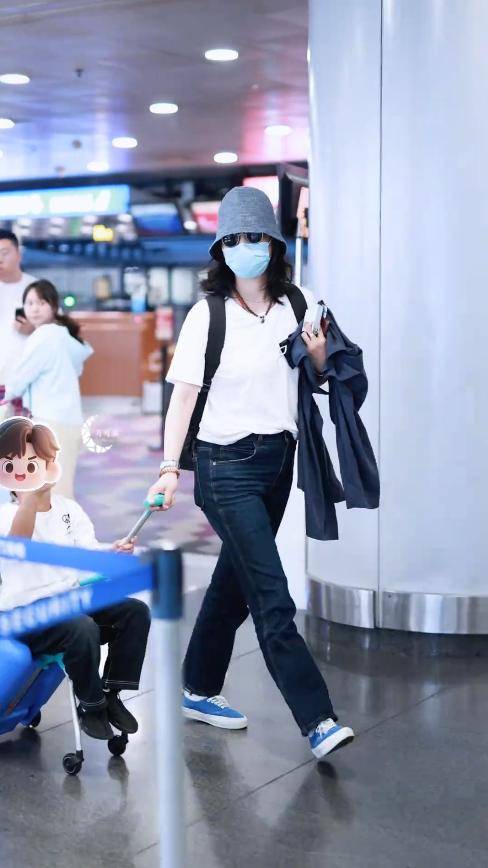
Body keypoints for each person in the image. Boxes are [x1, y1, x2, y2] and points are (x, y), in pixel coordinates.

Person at [146, 186, 354, 761]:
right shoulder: (207, 315)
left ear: (274, 243)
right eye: (233, 239)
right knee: (269, 590)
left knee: (235, 581)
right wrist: (169, 467)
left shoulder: (299, 302)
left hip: (278, 460)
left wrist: (318, 354)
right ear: (221, 249)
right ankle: (318, 719)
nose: (245, 247)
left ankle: (197, 687)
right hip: (223, 467)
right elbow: (183, 397)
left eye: (255, 236)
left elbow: (322, 375)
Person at [0, 425, 150, 741]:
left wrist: (111, 552)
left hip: (70, 600)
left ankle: (112, 694)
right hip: (27, 614)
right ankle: (91, 706)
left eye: (40, 461)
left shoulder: (69, 510)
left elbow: (86, 555)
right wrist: (30, 498)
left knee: (134, 612)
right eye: (26, 466)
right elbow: (18, 544)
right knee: (81, 627)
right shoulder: (6, 514)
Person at [2, 279, 93, 499]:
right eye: (29, 303)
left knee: (53, 491)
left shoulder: (44, 336)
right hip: (66, 420)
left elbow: (19, 380)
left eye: (41, 303)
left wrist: (6, 393)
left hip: (51, 421)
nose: (34, 308)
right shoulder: (63, 336)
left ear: (53, 306)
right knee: (56, 486)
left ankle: (61, 523)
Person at [0, 230, 36, 414]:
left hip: (25, 381)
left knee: (21, 429)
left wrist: (34, 328)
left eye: (4, 252)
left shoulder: (37, 289)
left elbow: (58, 331)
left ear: (19, 254)